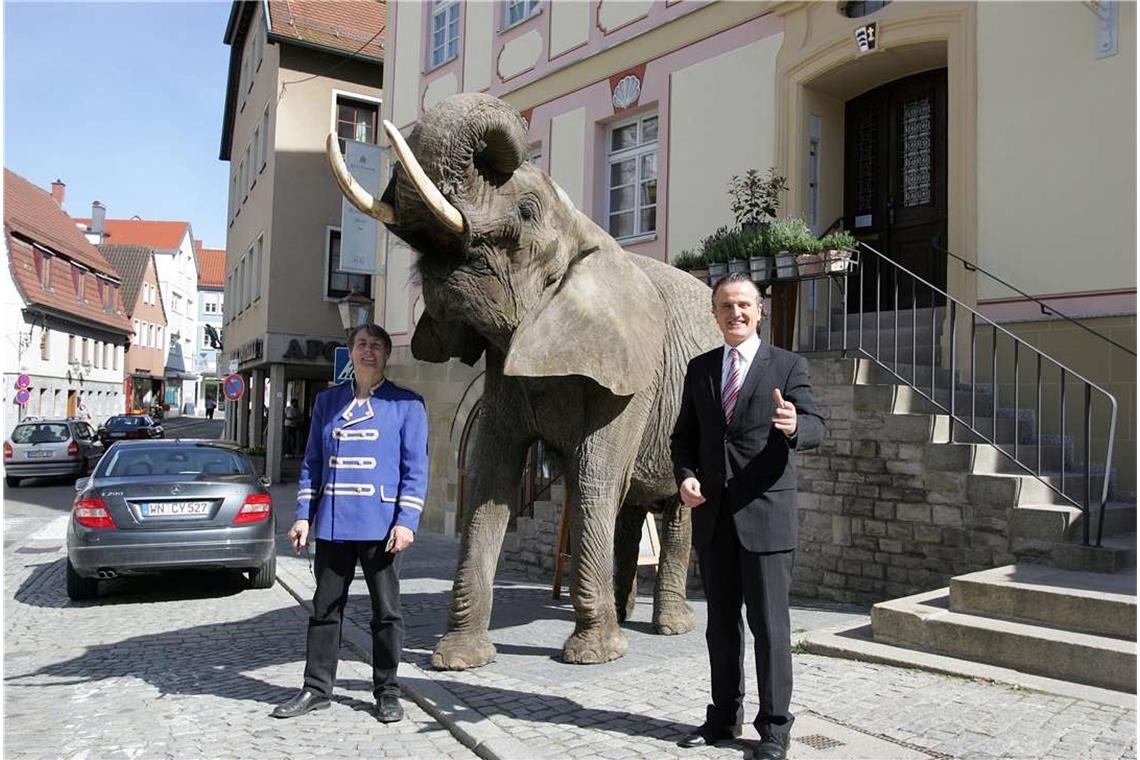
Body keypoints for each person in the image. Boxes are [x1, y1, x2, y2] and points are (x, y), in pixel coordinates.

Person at [669, 273, 824, 760]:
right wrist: (686, 474)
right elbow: (683, 438)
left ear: (760, 311)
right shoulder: (699, 369)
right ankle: (722, 717)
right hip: (714, 518)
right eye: (725, 306)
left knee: (770, 627)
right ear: (714, 314)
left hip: (767, 517)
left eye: (743, 306)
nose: (735, 313)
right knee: (721, 625)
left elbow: (818, 425)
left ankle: (775, 728)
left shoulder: (787, 365)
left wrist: (796, 423)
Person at [272, 323, 429, 723]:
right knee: (324, 610)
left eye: (376, 346)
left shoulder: (407, 404)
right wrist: (303, 517)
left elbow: (415, 469)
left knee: (386, 612)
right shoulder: (328, 402)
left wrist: (406, 520)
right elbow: (312, 463)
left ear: (386, 355)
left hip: (382, 525)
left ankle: (387, 691)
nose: (368, 351)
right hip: (333, 523)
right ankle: (316, 688)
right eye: (362, 344)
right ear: (351, 352)